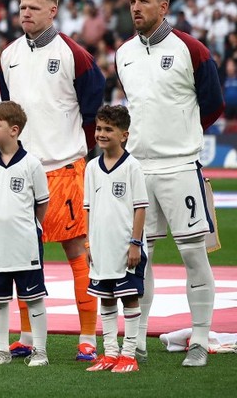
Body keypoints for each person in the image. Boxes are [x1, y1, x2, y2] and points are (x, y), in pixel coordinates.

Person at [116, 0, 224, 367]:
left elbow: (212, 105)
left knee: (194, 253)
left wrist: (182, 137)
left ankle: (198, 338)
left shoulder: (191, 50)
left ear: (163, 7)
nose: (136, 8)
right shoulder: (123, 53)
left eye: (144, 1)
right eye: (132, 1)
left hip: (180, 167)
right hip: (139, 169)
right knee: (139, 256)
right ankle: (138, 339)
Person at [0, 0, 105, 361]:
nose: (26, 13)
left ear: (53, 10)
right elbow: (9, 114)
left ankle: (88, 336)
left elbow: (93, 111)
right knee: (24, 255)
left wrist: (81, 153)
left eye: (34, 7)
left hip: (65, 167)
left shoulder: (74, 54)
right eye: (22, 7)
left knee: (77, 250)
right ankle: (26, 335)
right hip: (22, 171)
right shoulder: (8, 55)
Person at [0, 101, 50, 368]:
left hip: (25, 244)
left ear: (14, 130)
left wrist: (33, 227)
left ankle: (40, 351)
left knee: (32, 298)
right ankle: (1, 350)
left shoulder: (32, 164)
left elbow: (42, 202)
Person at [83, 104, 148, 374]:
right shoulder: (91, 168)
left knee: (129, 298)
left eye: (109, 129)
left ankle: (129, 354)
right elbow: (88, 207)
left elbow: (140, 207)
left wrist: (135, 243)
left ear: (124, 135)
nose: (102, 133)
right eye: (99, 128)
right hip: (100, 247)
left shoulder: (132, 166)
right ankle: (109, 352)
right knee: (106, 298)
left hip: (125, 247)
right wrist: (88, 242)